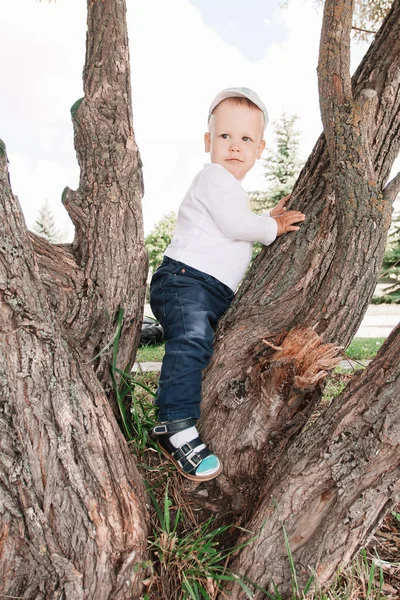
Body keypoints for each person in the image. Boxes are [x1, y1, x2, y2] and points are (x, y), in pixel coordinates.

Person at [149, 87, 305, 482]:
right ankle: (174, 425)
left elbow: (235, 221)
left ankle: (165, 363)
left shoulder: (229, 190)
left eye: (246, 139)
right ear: (208, 142)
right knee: (191, 342)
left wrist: (261, 217)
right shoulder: (213, 177)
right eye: (225, 137)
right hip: (185, 281)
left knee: (196, 342)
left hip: (204, 288)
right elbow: (237, 225)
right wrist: (272, 226)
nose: (235, 147)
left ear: (260, 148)